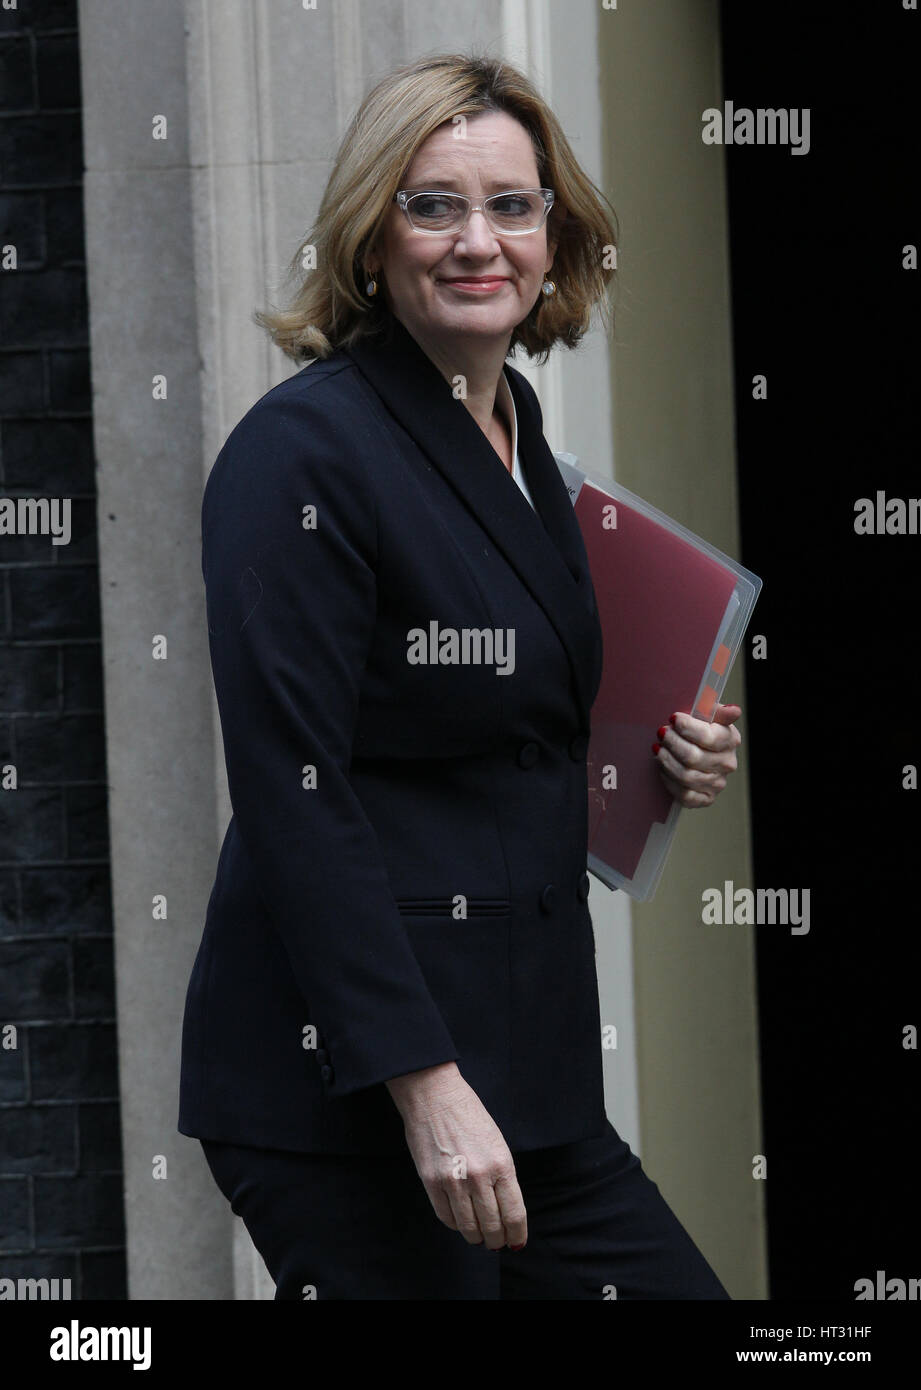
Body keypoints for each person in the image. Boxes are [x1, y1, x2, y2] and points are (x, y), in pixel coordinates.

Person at [177, 52, 742, 1300]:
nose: (477, 240)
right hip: (356, 1092)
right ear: (371, 240)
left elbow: (503, 723)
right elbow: (294, 793)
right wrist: (424, 1086)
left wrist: (654, 758)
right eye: (432, 204)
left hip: (531, 1079)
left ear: (557, 239)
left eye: (512, 205)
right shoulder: (302, 455)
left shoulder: (521, 437)